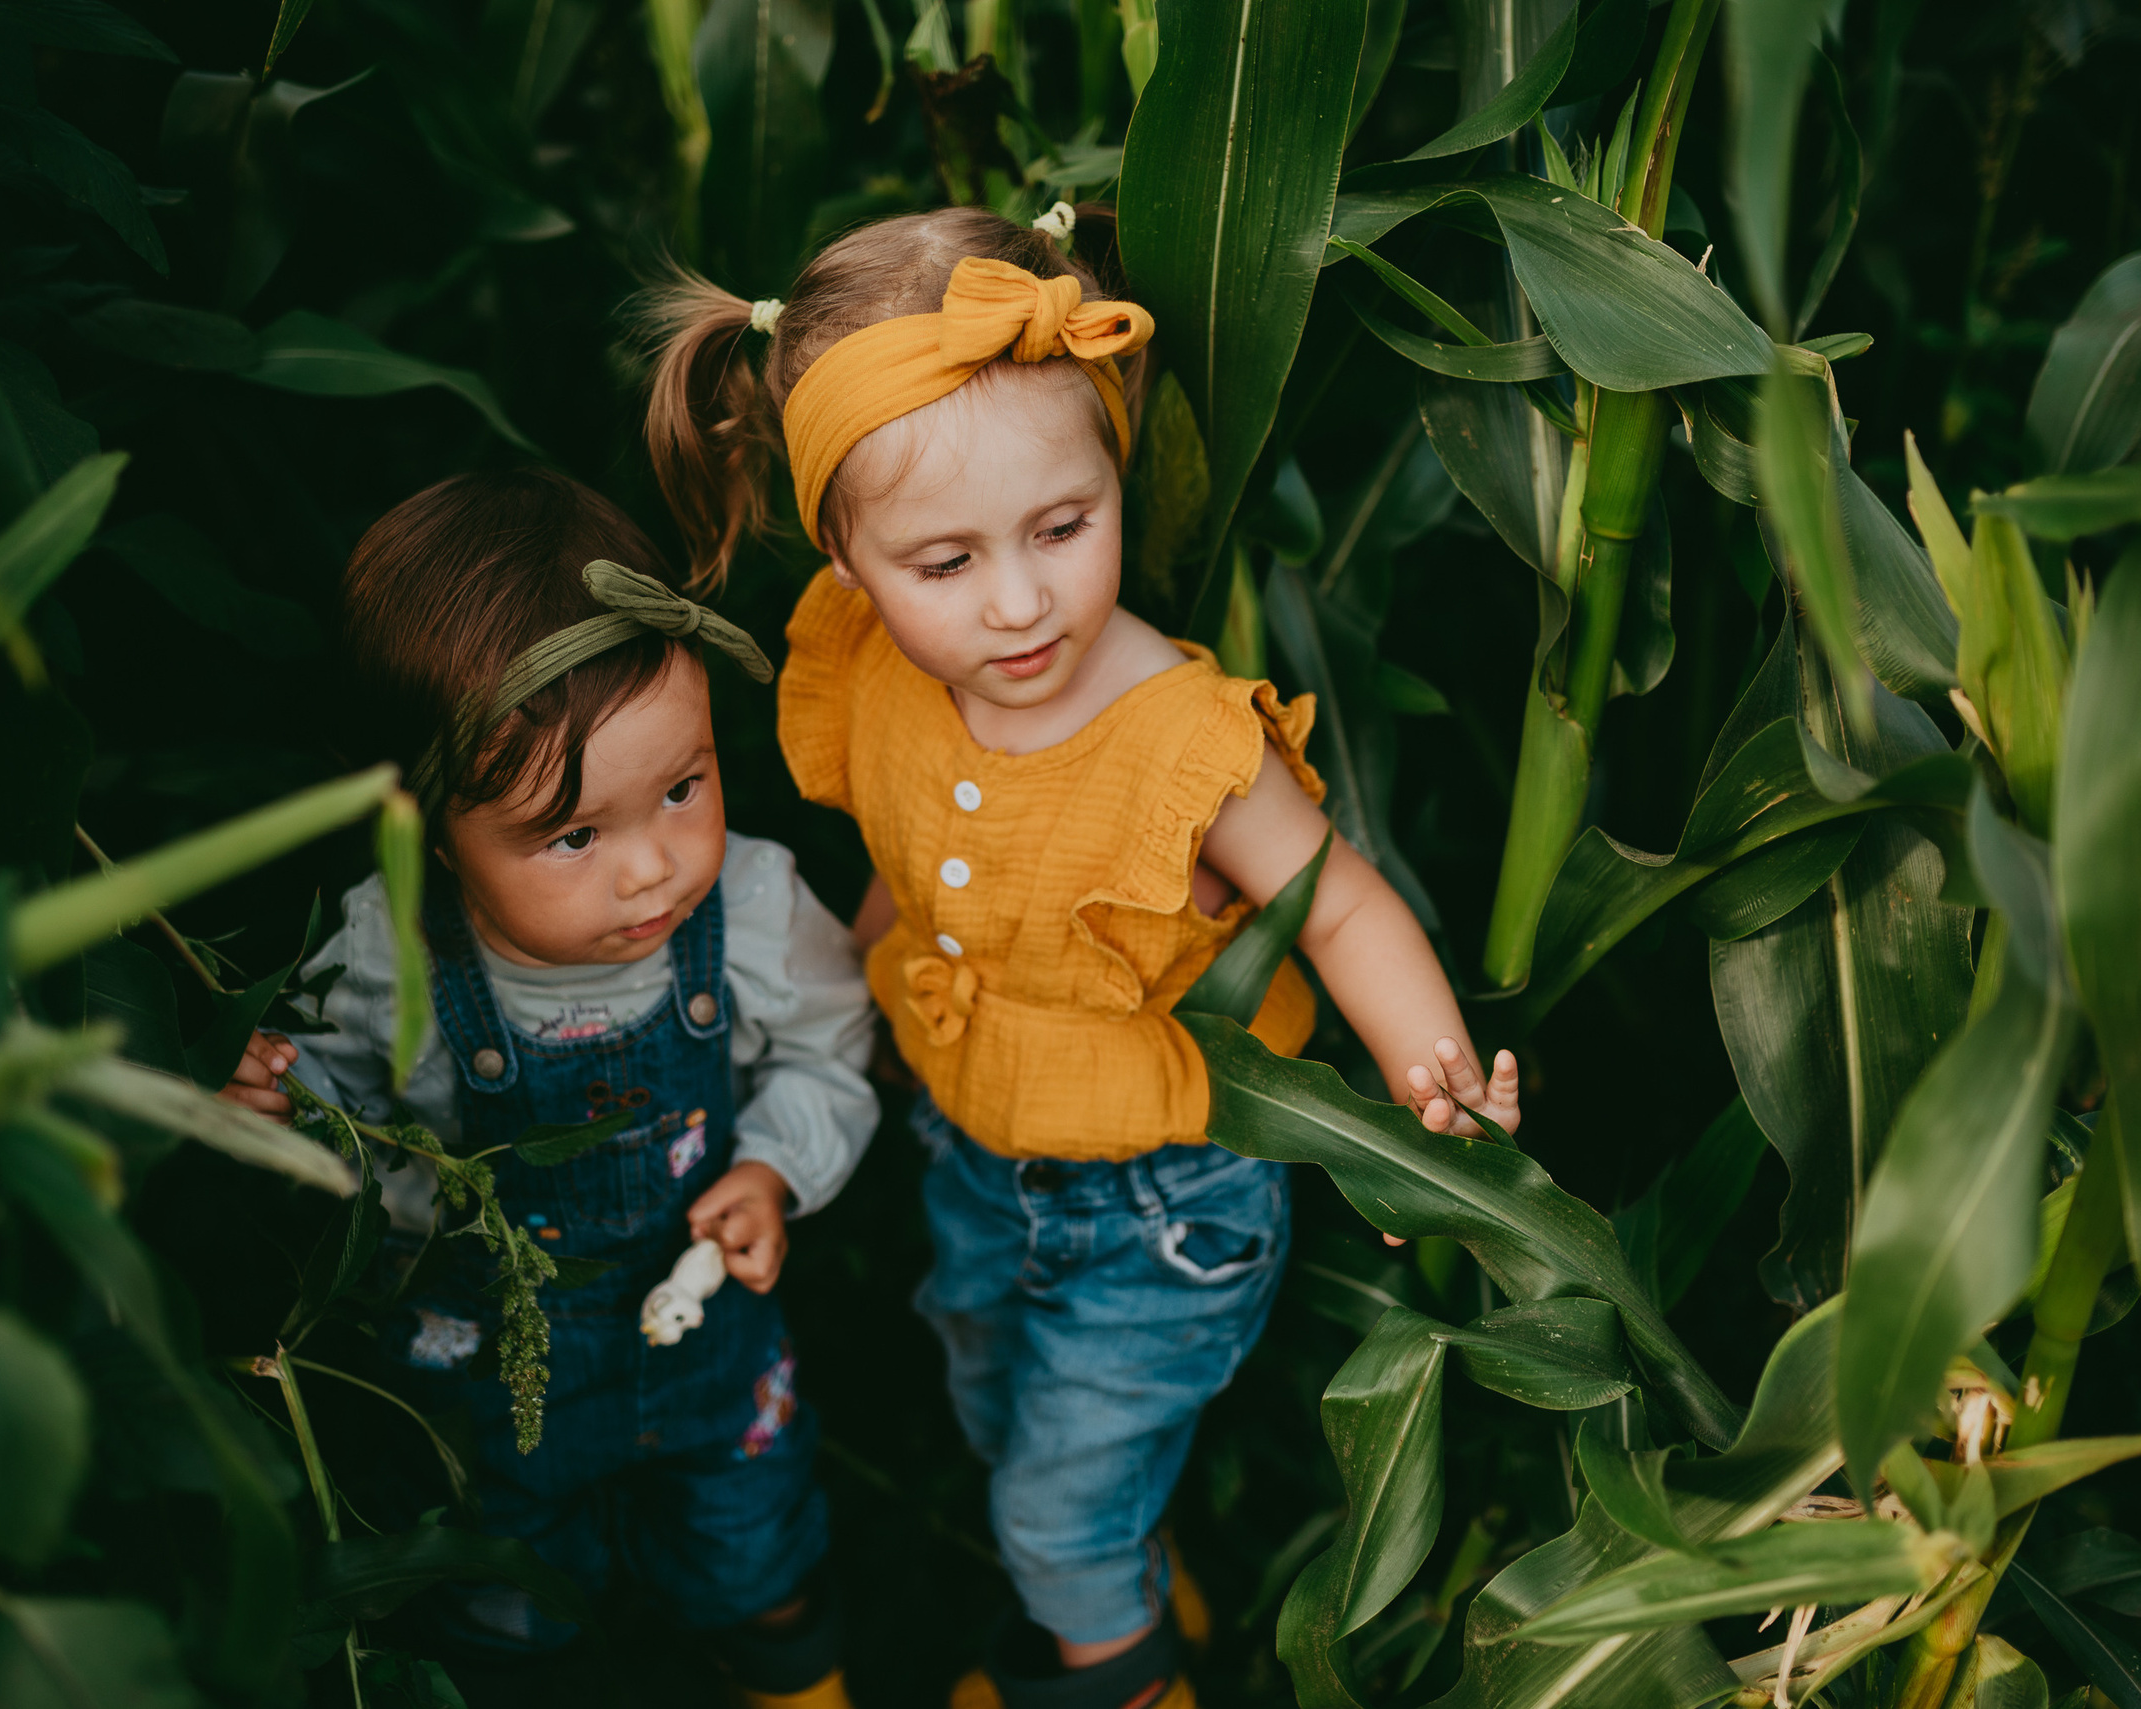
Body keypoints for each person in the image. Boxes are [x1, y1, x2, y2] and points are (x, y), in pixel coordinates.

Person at [640, 206, 1522, 1709]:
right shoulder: (875, 663)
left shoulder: (1188, 742)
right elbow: (909, 883)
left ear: (1114, 472)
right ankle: (1118, 1591)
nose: (1020, 600)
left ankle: (1120, 1662)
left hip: (1164, 1203)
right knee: (1005, 1429)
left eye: (1065, 525)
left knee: (1047, 1510)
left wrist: (1429, 1106)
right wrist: (826, 1028)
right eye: (945, 560)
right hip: (976, 1156)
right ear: (843, 557)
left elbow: (1346, 908)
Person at [219, 469, 876, 1709]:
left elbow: (830, 1044)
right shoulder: (384, 954)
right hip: (485, 1380)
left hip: (713, 1364)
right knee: (506, 1610)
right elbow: (348, 1122)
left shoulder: (747, 907)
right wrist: (277, 1107)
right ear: (421, 828)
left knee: (761, 1560)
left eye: (682, 787)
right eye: (572, 836)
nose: (650, 870)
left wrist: (776, 1164)